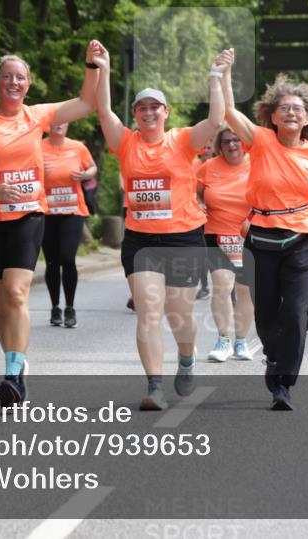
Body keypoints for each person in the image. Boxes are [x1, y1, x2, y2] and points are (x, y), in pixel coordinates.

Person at [0, 42, 101, 407]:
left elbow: (86, 102)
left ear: (29, 84)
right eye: (7, 77)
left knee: (17, 293)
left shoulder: (37, 116)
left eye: (20, 77)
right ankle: (15, 359)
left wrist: (93, 66)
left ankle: (13, 374)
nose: (13, 82)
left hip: (29, 214)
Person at [95, 47, 225, 411]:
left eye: (155, 107)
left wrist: (215, 78)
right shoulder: (125, 143)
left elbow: (216, 122)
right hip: (140, 241)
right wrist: (104, 68)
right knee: (149, 309)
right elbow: (103, 111)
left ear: (166, 113)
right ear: (135, 115)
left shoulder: (182, 140)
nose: (149, 112)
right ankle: (154, 386)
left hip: (183, 238)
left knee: (178, 314)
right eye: (142, 108)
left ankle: (186, 356)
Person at [223, 62, 308, 410]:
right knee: (265, 315)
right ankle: (275, 355)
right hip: (261, 240)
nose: (291, 113)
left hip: (301, 241)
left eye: (298, 109)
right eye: (284, 108)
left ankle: (283, 383)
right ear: (272, 116)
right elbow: (230, 112)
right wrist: (226, 73)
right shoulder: (259, 141)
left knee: (293, 312)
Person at [198, 125, 255, 362]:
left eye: (236, 140)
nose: (232, 145)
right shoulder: (208, 168)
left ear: (244, 143)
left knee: (245, 290)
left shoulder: (257, 164)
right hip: (217, 234)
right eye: (226, 142)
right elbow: (195, 192)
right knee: (221, 284)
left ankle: (241, 341)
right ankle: (223, 340)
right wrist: (198, 202)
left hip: (249, 235)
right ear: (219, 146)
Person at [41, 121, 97, 328]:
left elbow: (92, 167)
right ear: (48, 126)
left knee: (67, 257)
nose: (59, 125)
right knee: (52, 262)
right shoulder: (37, 148)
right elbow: (24, 172)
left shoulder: (77, 147)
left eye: (63, 121)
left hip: (73, 210)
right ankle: (55, 307)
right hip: (46, 212)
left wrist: (85, 175)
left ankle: (70, 308)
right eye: (55, 121)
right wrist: (38, 171)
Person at [192, 138, 216, 301]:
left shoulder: (219, 164)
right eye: (203, 147)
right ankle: (205, 286)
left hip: (220, 218)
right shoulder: (193, 164)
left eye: (208, 147)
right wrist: (199, 202)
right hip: (198, 217)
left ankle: (232, 291)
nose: (206, 150)